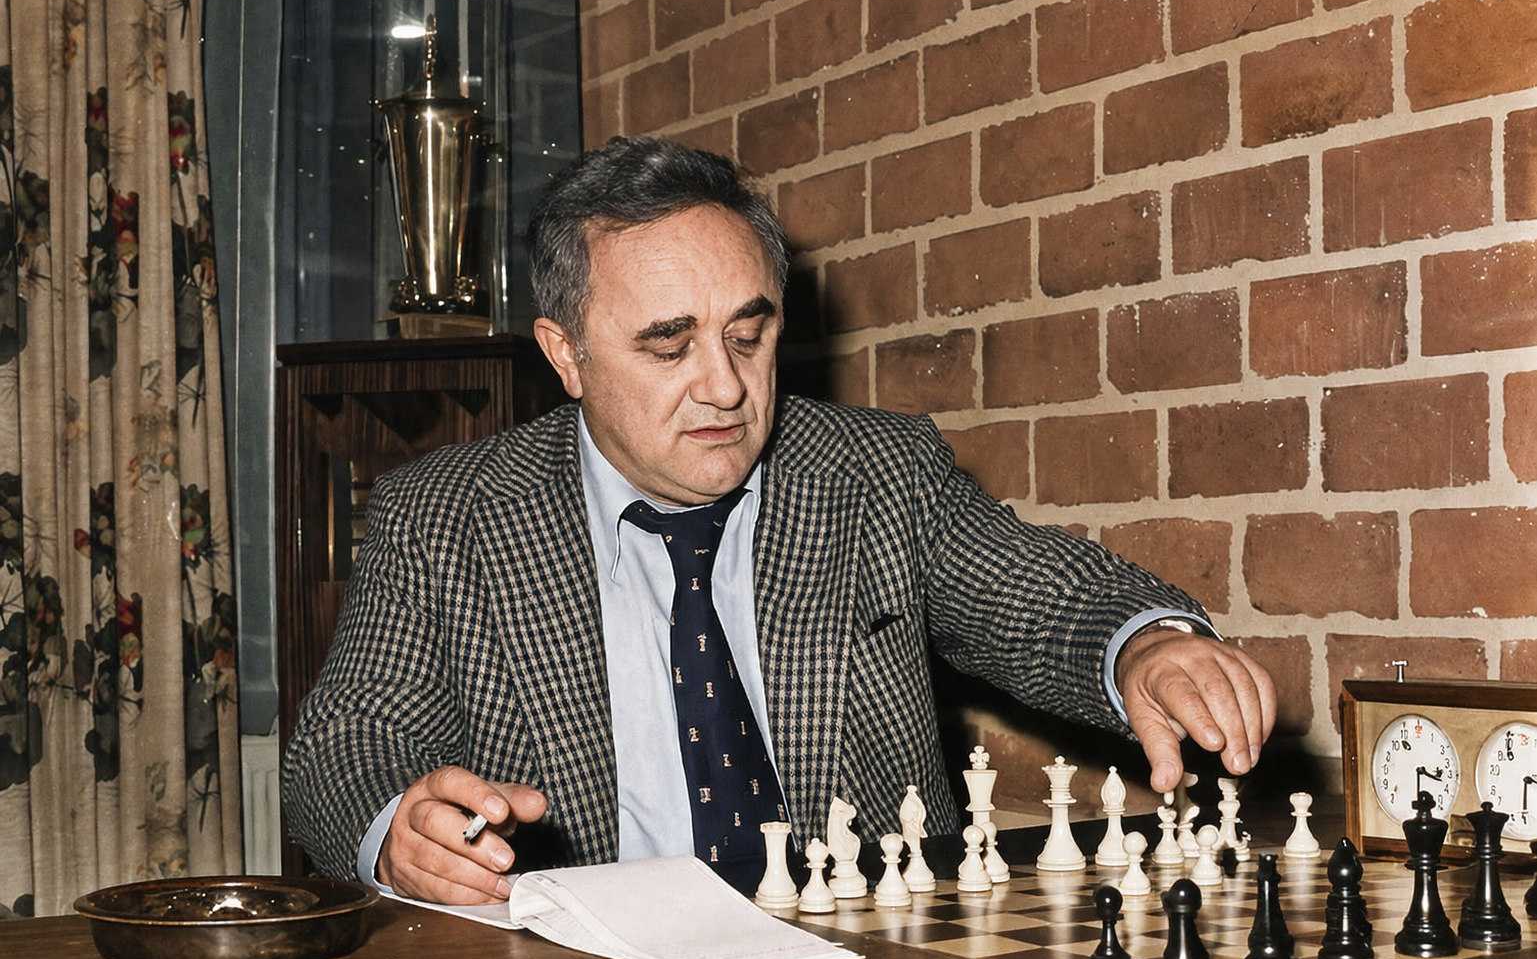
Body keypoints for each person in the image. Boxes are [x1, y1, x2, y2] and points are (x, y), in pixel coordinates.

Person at [282, 135, 1275, 906]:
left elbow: (1035, 595)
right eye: (668, 348)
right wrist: (395, 828)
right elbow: (346, 742)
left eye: (747, 335)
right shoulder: (443, 517)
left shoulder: (877, 475)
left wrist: (1144, 643)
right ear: (567, 352)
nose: (723, 386)